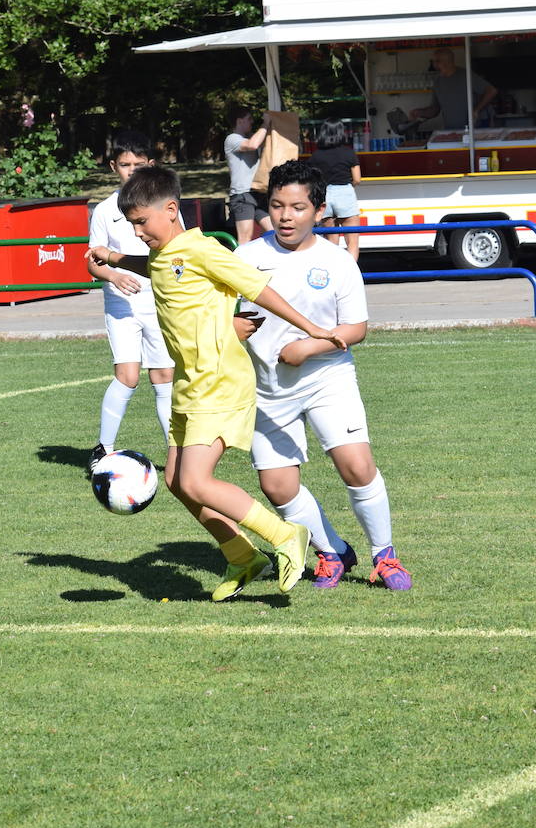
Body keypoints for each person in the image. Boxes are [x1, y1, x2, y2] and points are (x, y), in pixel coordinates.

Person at [97, 165, 347, 601]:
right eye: (132, 224)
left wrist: (314, 329)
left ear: (171, 210)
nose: (137, 233)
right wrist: (118, 259)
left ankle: (286, 536)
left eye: (141, 222)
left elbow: (258, 290)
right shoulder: (164, 253)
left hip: (219, 379)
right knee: (176, 481)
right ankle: (241, 556)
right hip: (189, 384)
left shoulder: (202, 249)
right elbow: (156, 265)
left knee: (196, 481)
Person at [234, 160, 409, 591]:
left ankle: (384, 556)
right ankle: (332, 551)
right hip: (267, 387)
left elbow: (356, 329)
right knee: (277, 485)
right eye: (276, 206)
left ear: (319, 209)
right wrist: (231, 329)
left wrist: (307, 347)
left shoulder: (337, 261)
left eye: (297, 207)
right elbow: (224, 316)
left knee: (355, 464)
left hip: (327, 378)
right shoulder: (245, 258)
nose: (285, 216)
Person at [85, 129, 175, 468]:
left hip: (159, 300)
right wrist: (114, 274)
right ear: (113, 167)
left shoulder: (164, 206)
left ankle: (175, 454)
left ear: (150, 165)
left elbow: (178, 250)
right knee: (128, 375)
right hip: (122, 305)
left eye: (139, 165)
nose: (132, 171)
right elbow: (93, 261)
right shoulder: (106, 210)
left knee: (163, 375)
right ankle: (103, 449)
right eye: (125, 165)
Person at [307, 119, 362, 259]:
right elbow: (357, 179)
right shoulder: (349, 153)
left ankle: (333, 276)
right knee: (352, 242)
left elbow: (311, 179)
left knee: (331, 243)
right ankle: (350, 276)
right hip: (344, 192)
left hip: (325, 195)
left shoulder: (316, 156)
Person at [409, 48, 497, 130]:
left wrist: (477, 109)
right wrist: (419, 112)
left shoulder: (466, 76)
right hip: (451, 132)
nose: (434, 65)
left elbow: (491, 91)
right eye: (434, 62)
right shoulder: (437, 81)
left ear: (448, 62)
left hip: (474, 130)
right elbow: (435, 109)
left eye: (437, 61)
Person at [224, 106, 273, 244]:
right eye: (249, 119)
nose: (252, 122)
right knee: (245, 238)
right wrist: (265, 123)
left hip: (257, 192)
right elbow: (252, 145)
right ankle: (240, 265)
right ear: (239, 121)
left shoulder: (251, 137)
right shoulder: (232, 139)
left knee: (272, 231)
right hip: (242, 195)